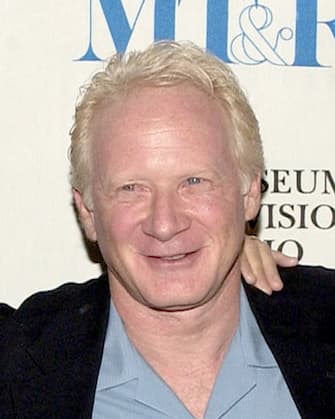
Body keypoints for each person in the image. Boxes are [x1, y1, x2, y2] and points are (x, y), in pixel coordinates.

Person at [1, 41, 334, 419]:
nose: (164, 224)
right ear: (87, 210)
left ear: (249, 193)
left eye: (194, 181)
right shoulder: (18, 363)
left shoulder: (324, 319)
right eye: (131, 189)